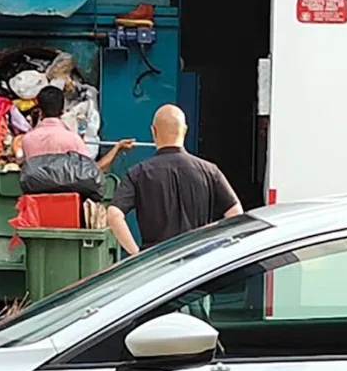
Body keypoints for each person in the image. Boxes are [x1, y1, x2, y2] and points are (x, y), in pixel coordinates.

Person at [108, 104, 243, 256]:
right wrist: (213, 243)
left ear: (153, 131)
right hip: (198, 262)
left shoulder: (138, 173)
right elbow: (236, 213)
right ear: (184, 130)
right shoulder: (210, 171)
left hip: (157, 262)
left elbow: (114, 214)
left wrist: (137, 255)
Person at [14, 86, 134, 172]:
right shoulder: (73, 140)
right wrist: (117, 148)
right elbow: (94, 170)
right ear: (62, 111)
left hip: (35, 198)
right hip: (68, 197)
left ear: (40, 112)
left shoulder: (27, 140)